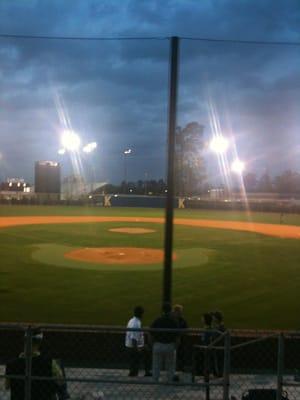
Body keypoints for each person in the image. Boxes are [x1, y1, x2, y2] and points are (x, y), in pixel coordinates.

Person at [5, 328, 66, 400]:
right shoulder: (50, 363)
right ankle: (64, 396)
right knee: (58, 365)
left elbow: (7, 387)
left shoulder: (11, 364)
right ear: (39, 342)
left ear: (25, 340)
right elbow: (61, 382)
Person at [150, 302, 179, 383]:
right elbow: (177, 336)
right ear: (170, 310)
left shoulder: (158, 319)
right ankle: (170, 381)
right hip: (170, 345)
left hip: (158, 344)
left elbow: (150, 332)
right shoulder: (173, 321)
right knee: (170, 366)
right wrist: (175, 346)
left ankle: (155, 381)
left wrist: (152, 344)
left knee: (156, 365)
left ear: (162, 310)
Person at [125, 306, 151, 377]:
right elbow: (134, 339)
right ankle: (146, 371)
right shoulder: (136, 323)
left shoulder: (132, 320)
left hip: (130, 346)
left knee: (146, 350)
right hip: (133, 347)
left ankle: (137, 371)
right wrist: (137, 350)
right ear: (142, 314)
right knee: (147, 351)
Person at [172, 304, 188, 376]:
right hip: (172, 341)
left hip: (181, 342)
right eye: (180, 312)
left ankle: (180, 368)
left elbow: (186, 329)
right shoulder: (171, 319)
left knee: (181, 355)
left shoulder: (182, 320)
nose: (181, 313)